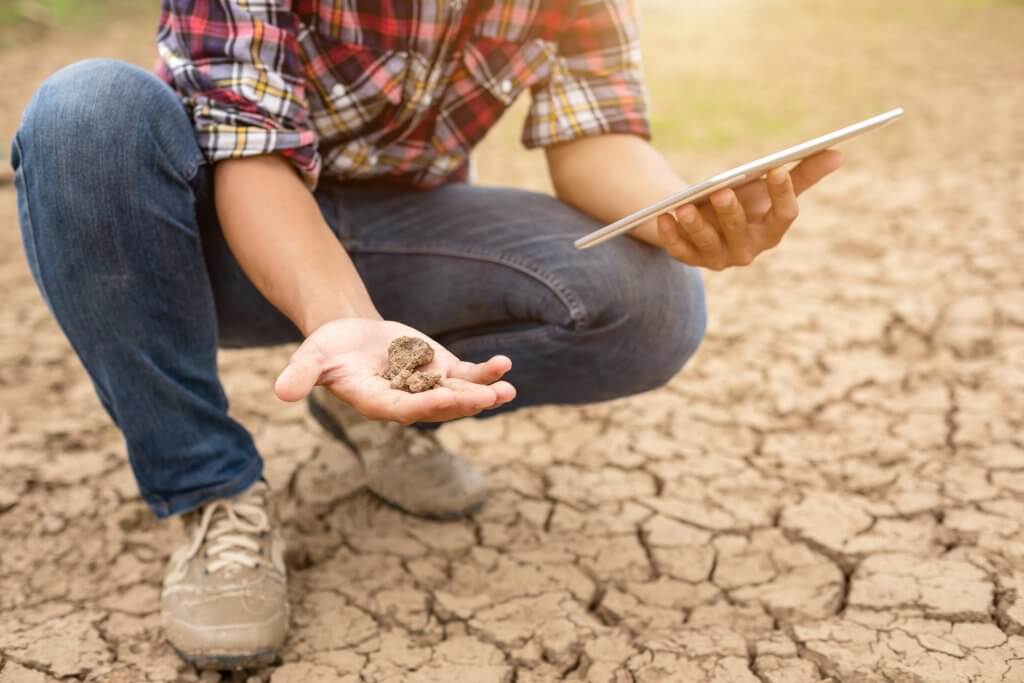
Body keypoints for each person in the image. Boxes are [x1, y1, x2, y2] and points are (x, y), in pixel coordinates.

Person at [10, 0, 842, 669]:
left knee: (655, 299)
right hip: (206, 232)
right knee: (84, 112)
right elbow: (252, 156)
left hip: (398, 232)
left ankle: (383, 412)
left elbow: (597, 134)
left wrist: (685, 216)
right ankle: (209, 488)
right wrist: (348, 320)